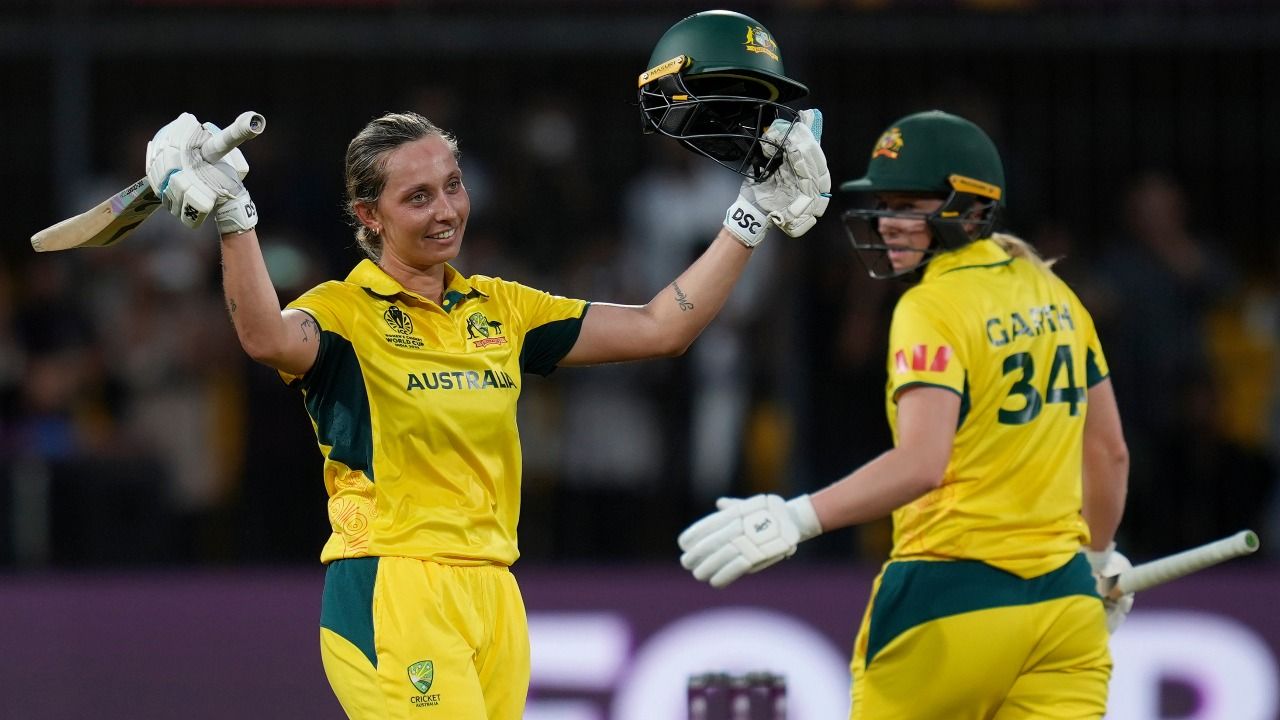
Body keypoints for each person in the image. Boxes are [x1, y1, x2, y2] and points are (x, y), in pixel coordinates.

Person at [139, 22, 827, 717]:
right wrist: (235, 215)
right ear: (367, 216)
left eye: (452, 187)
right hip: (393, 587)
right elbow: (264, 337)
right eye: (418, 198)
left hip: (494, 590)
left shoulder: (500, 308)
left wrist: (752, 212)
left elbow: (662, 326)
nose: (445, 211)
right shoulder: (344, 312)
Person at [678, 110, 1132, 719]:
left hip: (948, 600)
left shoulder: (932, 303)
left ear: (969, 208)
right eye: (885, 203)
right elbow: (1108, 452)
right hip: (1066, 613)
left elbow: (922, 463)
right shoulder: (1055, 293)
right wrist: (1096, 563)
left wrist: (797, 517)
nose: (888, 221)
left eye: (910, 205)